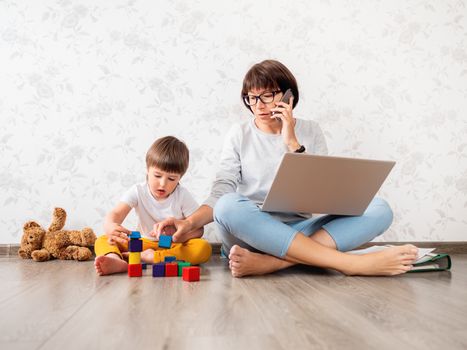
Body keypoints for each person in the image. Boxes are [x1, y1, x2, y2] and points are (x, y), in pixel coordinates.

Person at [156, 60, 418, 277]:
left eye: (267, 96)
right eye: (252, 98)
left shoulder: (310, 131)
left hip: (301, 228)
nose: (258, 105)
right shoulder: (239, 134)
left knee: (380, 208)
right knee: (227, 204)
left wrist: (292, 141)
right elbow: (220, 191)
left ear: (288, 95)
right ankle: (351, 264)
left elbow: (322, 192)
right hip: (252, 231)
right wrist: (188, 223)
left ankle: (273, 262)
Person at [94, 136, 212, 276]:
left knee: (203, 247)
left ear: (180, 177)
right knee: (102, 240)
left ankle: (153, 257)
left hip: (172, 246)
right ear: (147, 170)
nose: (163, 184)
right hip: (143, 243)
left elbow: (198, 230)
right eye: (157, 175)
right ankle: (114, 259)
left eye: (171, 179)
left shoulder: (183, 195)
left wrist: (177, 236)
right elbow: (116, 214)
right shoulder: (138, 191)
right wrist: (111, 226)